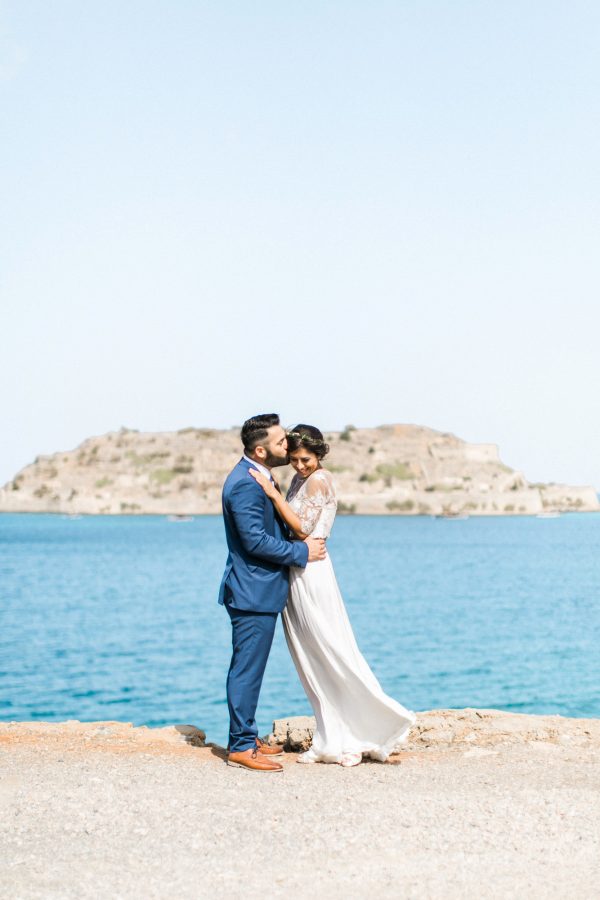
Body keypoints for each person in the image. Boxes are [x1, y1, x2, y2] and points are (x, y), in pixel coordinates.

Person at [249, 423, 415, 767]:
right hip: (297, 568)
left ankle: (371, 724)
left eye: (306, 459)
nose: (299, 465)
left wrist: (274, 494)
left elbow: (304, 528)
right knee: (312, 656)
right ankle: (333, 736)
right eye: (294, 459)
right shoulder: (299, 479)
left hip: (312, 571)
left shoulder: (319, 479)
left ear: (319, 454)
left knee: (330, 647)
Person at [219, 413, 327, 772]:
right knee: (246, 670)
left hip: (260, 590)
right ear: (262, 451)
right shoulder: (244, 485)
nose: (289, 445)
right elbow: (255, 541)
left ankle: (247, 737)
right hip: (252, 591)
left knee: (252, 668)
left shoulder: (259, 477)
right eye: (282, 443)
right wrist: (302, 552)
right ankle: (239, 747)